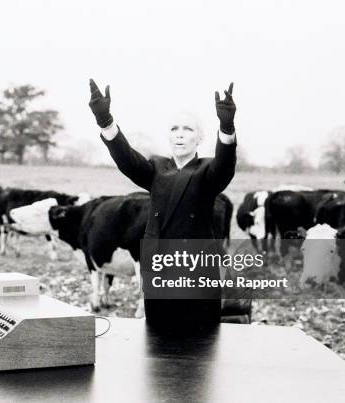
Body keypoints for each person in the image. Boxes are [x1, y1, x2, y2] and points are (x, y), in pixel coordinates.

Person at [88, 79, 237, 329]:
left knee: (200, 349)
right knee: (158, 346)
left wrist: (227, 126)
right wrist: (106, 122)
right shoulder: (156, 168)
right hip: (159, 271)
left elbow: (225, 165)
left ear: (200, 138)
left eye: (188, 129)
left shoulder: (208, 170)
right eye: (175, 128)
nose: (180, 134)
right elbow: (127, 159)